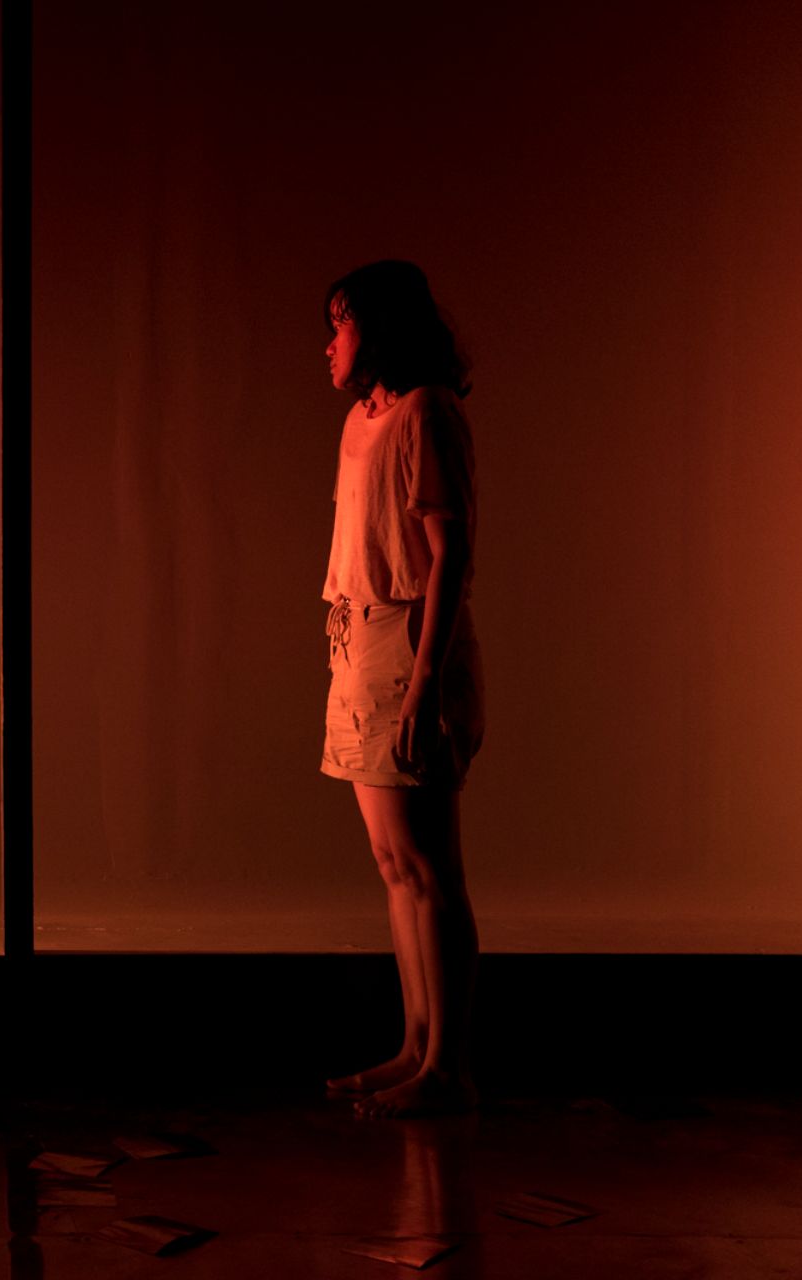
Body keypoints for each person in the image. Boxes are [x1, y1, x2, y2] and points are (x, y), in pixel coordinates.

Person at [316, 260, 483, 1118]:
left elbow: (450, 554)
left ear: (377, 329)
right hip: (358, 641)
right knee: (393, 866)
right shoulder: (360, 420)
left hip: (408, 644)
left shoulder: (427, 413)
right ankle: (416, 1047)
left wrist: (424, 686)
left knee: (428, 865)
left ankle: (447, 1066)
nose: (329, 345)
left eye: (340, 325)